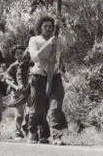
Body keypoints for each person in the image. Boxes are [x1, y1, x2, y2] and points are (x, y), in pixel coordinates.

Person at [28, 15, 68, 145]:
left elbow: (72, 42)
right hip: (39, 76)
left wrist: (63, 26)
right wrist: (49, 43)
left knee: (55, 106)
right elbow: (35, 57)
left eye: (51, 26)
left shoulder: (59, 39)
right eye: (45, 26)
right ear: (40, 28)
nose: (48, 28)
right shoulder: (34, 40)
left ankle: (56, 136)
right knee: (37, 108)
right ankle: (33, 132)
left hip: (55, 76)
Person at [4, 45, 31, 140]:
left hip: (28, 91)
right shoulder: (13, 66)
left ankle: (26, 126)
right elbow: (7, 79)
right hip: (16, 93)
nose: (20, 55)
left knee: (29, 112)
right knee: (19, 114)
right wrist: (15, 86)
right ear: (15, 56)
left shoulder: (29, 63)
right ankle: (17, 133)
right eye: (17, 54)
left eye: (21, 53)